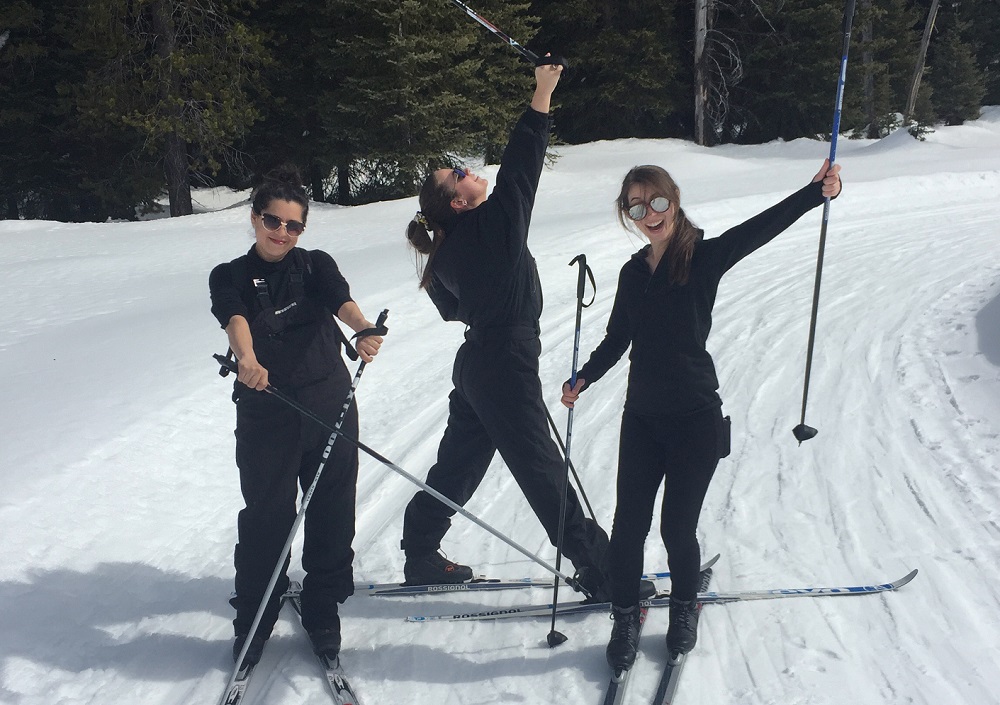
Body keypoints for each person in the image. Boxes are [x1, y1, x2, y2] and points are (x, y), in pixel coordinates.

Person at [561, 160, 843, 672]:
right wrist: (585, 376)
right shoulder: (632, 273)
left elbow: (761, 229)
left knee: (676, 529)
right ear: (628, 214)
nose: (650, 214)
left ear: (674, 200)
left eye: (657, 201)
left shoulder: (703, 258)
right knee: (627, 529)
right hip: (642, 418)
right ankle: (624, 617)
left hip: (695, 419)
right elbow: (618, 338)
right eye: (637, 207)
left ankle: (684, 607)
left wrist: (815, 193)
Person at [398, 60, 619, 599]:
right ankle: (602, 570)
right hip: (502, 362)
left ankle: (420, 551)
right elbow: (522, 168)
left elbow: (453, 310)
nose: (467, 169)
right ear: (457, 202)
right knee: (540, 466)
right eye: (458, 174)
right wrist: (542, 95)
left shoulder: (447, 251)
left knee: (459, 464)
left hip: (480, 363)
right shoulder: (490, 225)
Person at [208, 165, 383, 668]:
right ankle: (255, 618)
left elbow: (341, 300)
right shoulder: (229, 274)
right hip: (267, 409)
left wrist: (363, 328)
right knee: (267, 515)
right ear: (255, 218)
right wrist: (247, 358)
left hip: (328, 402)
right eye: (273, 221)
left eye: (293, 225)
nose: (282, 232)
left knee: (331, 508)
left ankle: (323, 606)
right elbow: (235, 317)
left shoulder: (314, 265)